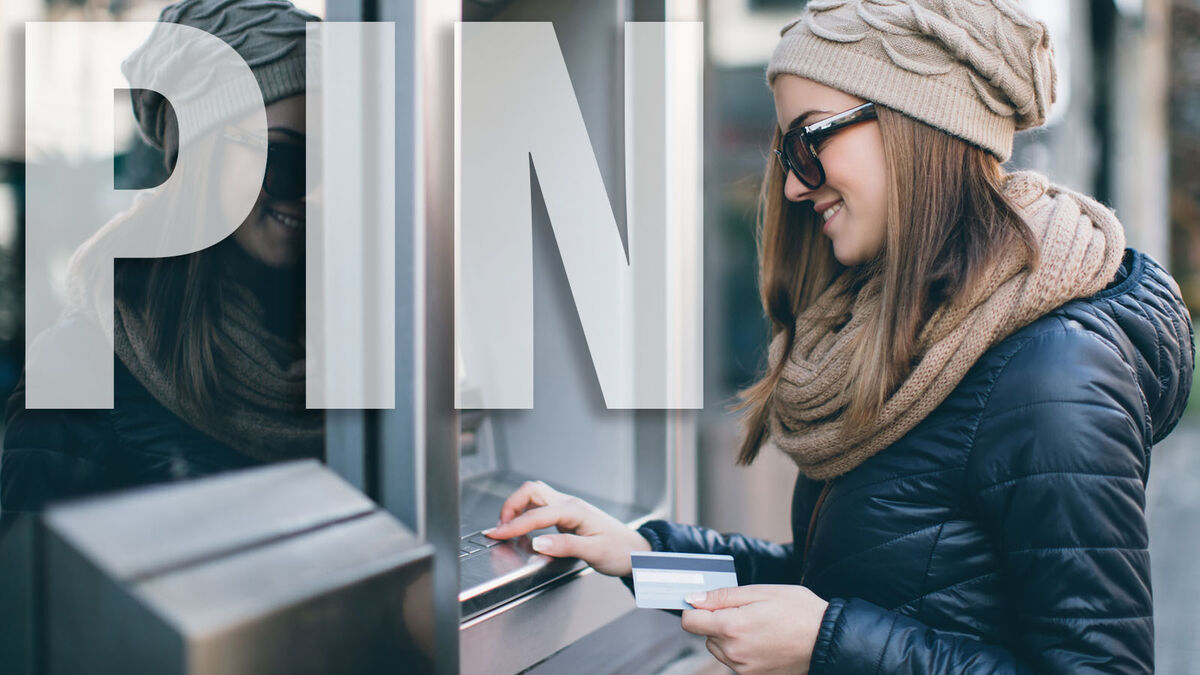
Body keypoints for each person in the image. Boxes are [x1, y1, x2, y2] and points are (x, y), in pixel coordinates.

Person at [487, 2, 1194, 673]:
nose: (794, 187)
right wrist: (641, 553)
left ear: (915, 121)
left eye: (807, 140)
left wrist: (832, 645)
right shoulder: (913, 324)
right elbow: (823, 584)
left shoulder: (1051, 370)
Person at [1, 0, 322, 515]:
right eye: (282, 157)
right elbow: (31, 586)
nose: (310, 190)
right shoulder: (82, 367)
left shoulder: (352, 337)